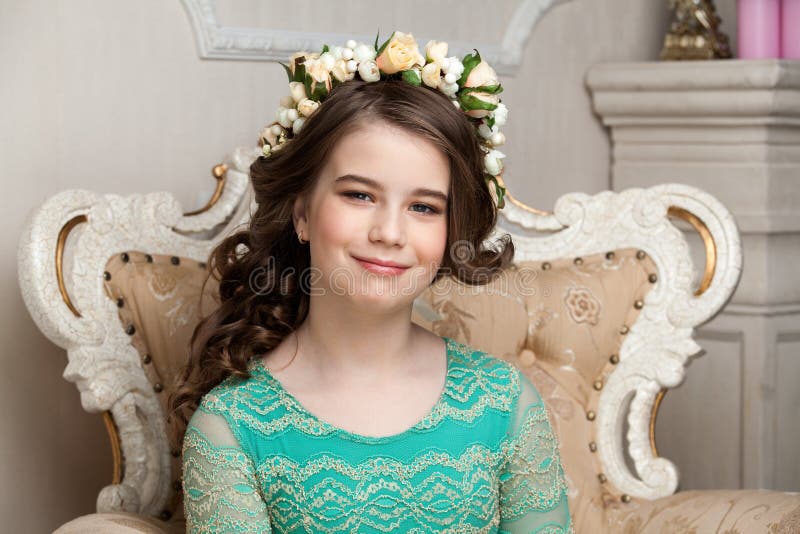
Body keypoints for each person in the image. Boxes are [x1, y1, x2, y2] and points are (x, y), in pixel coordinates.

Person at [168, 31, 573, 533]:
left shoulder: (503, 402)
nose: (388, 233)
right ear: (301, 213)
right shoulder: (232, 425)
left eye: (423, 207)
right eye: (359, 195)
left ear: (451, 231)